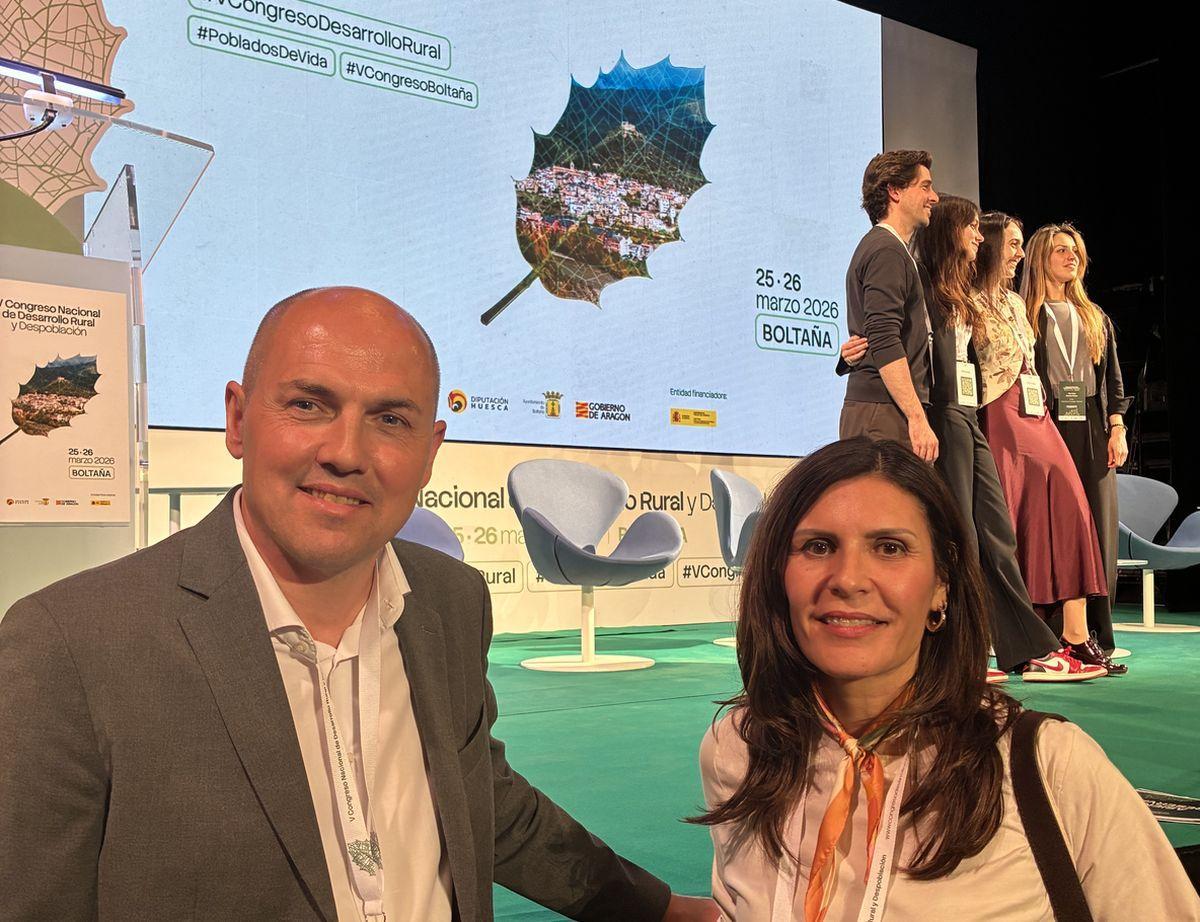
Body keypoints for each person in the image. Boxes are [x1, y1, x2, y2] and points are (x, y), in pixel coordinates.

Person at [0, 287, 717, 922]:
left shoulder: (450, 602)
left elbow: (482, 804)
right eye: (309, 404)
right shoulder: (70, 646)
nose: (346, 451)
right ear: (239, 419)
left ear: (431, 451)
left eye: (391, 420)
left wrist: (655, 910)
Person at [692, 437, 1197, 920]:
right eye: (818, 546)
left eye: (889, 548)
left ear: (942, 586)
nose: (847, 579)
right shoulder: (739, 750)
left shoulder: (1049, 766)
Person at [843, 196, 1102, 684]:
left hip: (967, 414)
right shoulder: (922, 281)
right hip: (940, 415)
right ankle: (962, 654)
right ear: (950, 233)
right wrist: (853, 350)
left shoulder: (961, 290)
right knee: (960, 534)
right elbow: (887, 332)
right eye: (971, 229)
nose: (978, 237)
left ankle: (1026, 647)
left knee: (996, 531)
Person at [970, 214, 1124, 675]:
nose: (1016, 252)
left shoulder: (1020, 306)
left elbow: (1110, 377)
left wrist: (1116, 425)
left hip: (1042, 415)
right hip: (1003, 411)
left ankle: (1079, 633)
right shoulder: (972, 302)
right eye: (1013, 244)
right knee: (1019, 521)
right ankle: (1031, 634)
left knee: (1077, 509)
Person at [1022, 223, 1130, 655]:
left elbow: (1114, 382)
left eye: (1076, 252)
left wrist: (1117, 427)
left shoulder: (1094, 316)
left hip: (1091, 425)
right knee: (1048, 527)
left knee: (1097, 526)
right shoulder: (1025, 315)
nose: (1072, 258)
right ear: (1040, 256)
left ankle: (1096, 633)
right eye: (1062, 250)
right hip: (1044, 423)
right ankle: (1048, 631)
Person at [838, 150, 940, 461]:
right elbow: (883, 337)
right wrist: (917, 418)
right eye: (924, 186)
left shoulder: (890, 249)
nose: (934, 197)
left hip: (883, 410)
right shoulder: (887, 251)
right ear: (894, 191)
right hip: (883, 415)